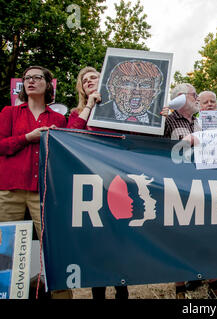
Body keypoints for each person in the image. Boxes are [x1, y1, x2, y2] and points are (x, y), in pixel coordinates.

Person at [0, 66, 69, 298]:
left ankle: (61, 295)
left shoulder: (59, 119)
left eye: (37, 77)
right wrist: (28, 138)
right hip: (10, 189)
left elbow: (69, 149)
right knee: (4, 251)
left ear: (48, 85)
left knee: (55, 247)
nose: (31, 81)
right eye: (27, 78)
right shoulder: (9, 113)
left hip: (45, 192)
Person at [164, 83, 217, 299]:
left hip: (201, 184)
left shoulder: (201, 122)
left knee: (205, 237)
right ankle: (180, 290)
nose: (197, 99)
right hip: (176, 185)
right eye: (193, 95)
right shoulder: (167, 121)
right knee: (178, 238)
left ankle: (215, 287)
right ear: (180, 98)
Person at [67, 66, 129, 299]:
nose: (90, 81)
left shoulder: (118, 110)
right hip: (91, 182)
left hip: (116, 181)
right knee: (97, 240)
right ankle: (98, 293)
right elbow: (71, 135)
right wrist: (90, 105)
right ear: (82, 89)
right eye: (85, 80)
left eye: (95, 77)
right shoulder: (77, 112)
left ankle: (122, 289)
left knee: (119, 237)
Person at [93, 60, 164, 125]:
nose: (137, 91)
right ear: (112, 88)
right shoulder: (97, 115)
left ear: (155, 92)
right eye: (128, 84)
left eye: (145, 85)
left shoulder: (157, 122)